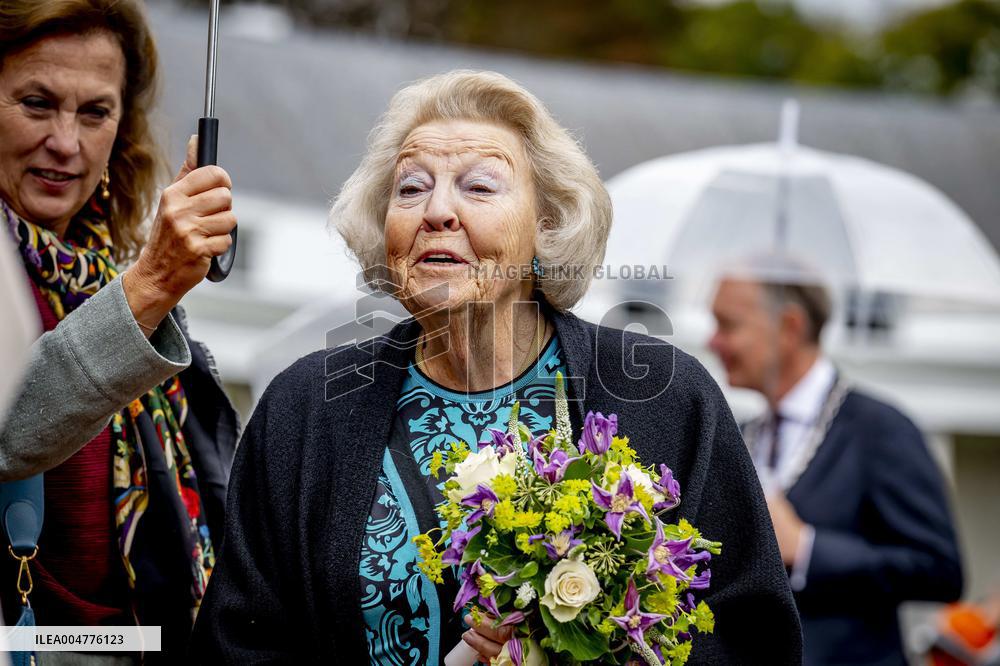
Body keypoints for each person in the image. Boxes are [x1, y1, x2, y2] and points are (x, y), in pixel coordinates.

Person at [192, 70, 802, 664]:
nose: (437, 211)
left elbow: (754, 634)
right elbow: (240, 642)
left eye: (479, 187)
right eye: (410, 188)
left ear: (547, 226)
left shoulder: (664, 397)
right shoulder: (306, 405)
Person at [0, 0, 239, 660]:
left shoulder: (108, 270)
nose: (66, 142)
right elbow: (9, 431)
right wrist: (151, 286)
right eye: (37, 103)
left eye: (95, 112)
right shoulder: (136, 286)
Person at [708, 257, 964, 666]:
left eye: (729, 325)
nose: (712, 342)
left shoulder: (880, 430)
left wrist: (808, 549)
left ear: (789, 327)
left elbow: (940, 570)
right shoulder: (739, 433)